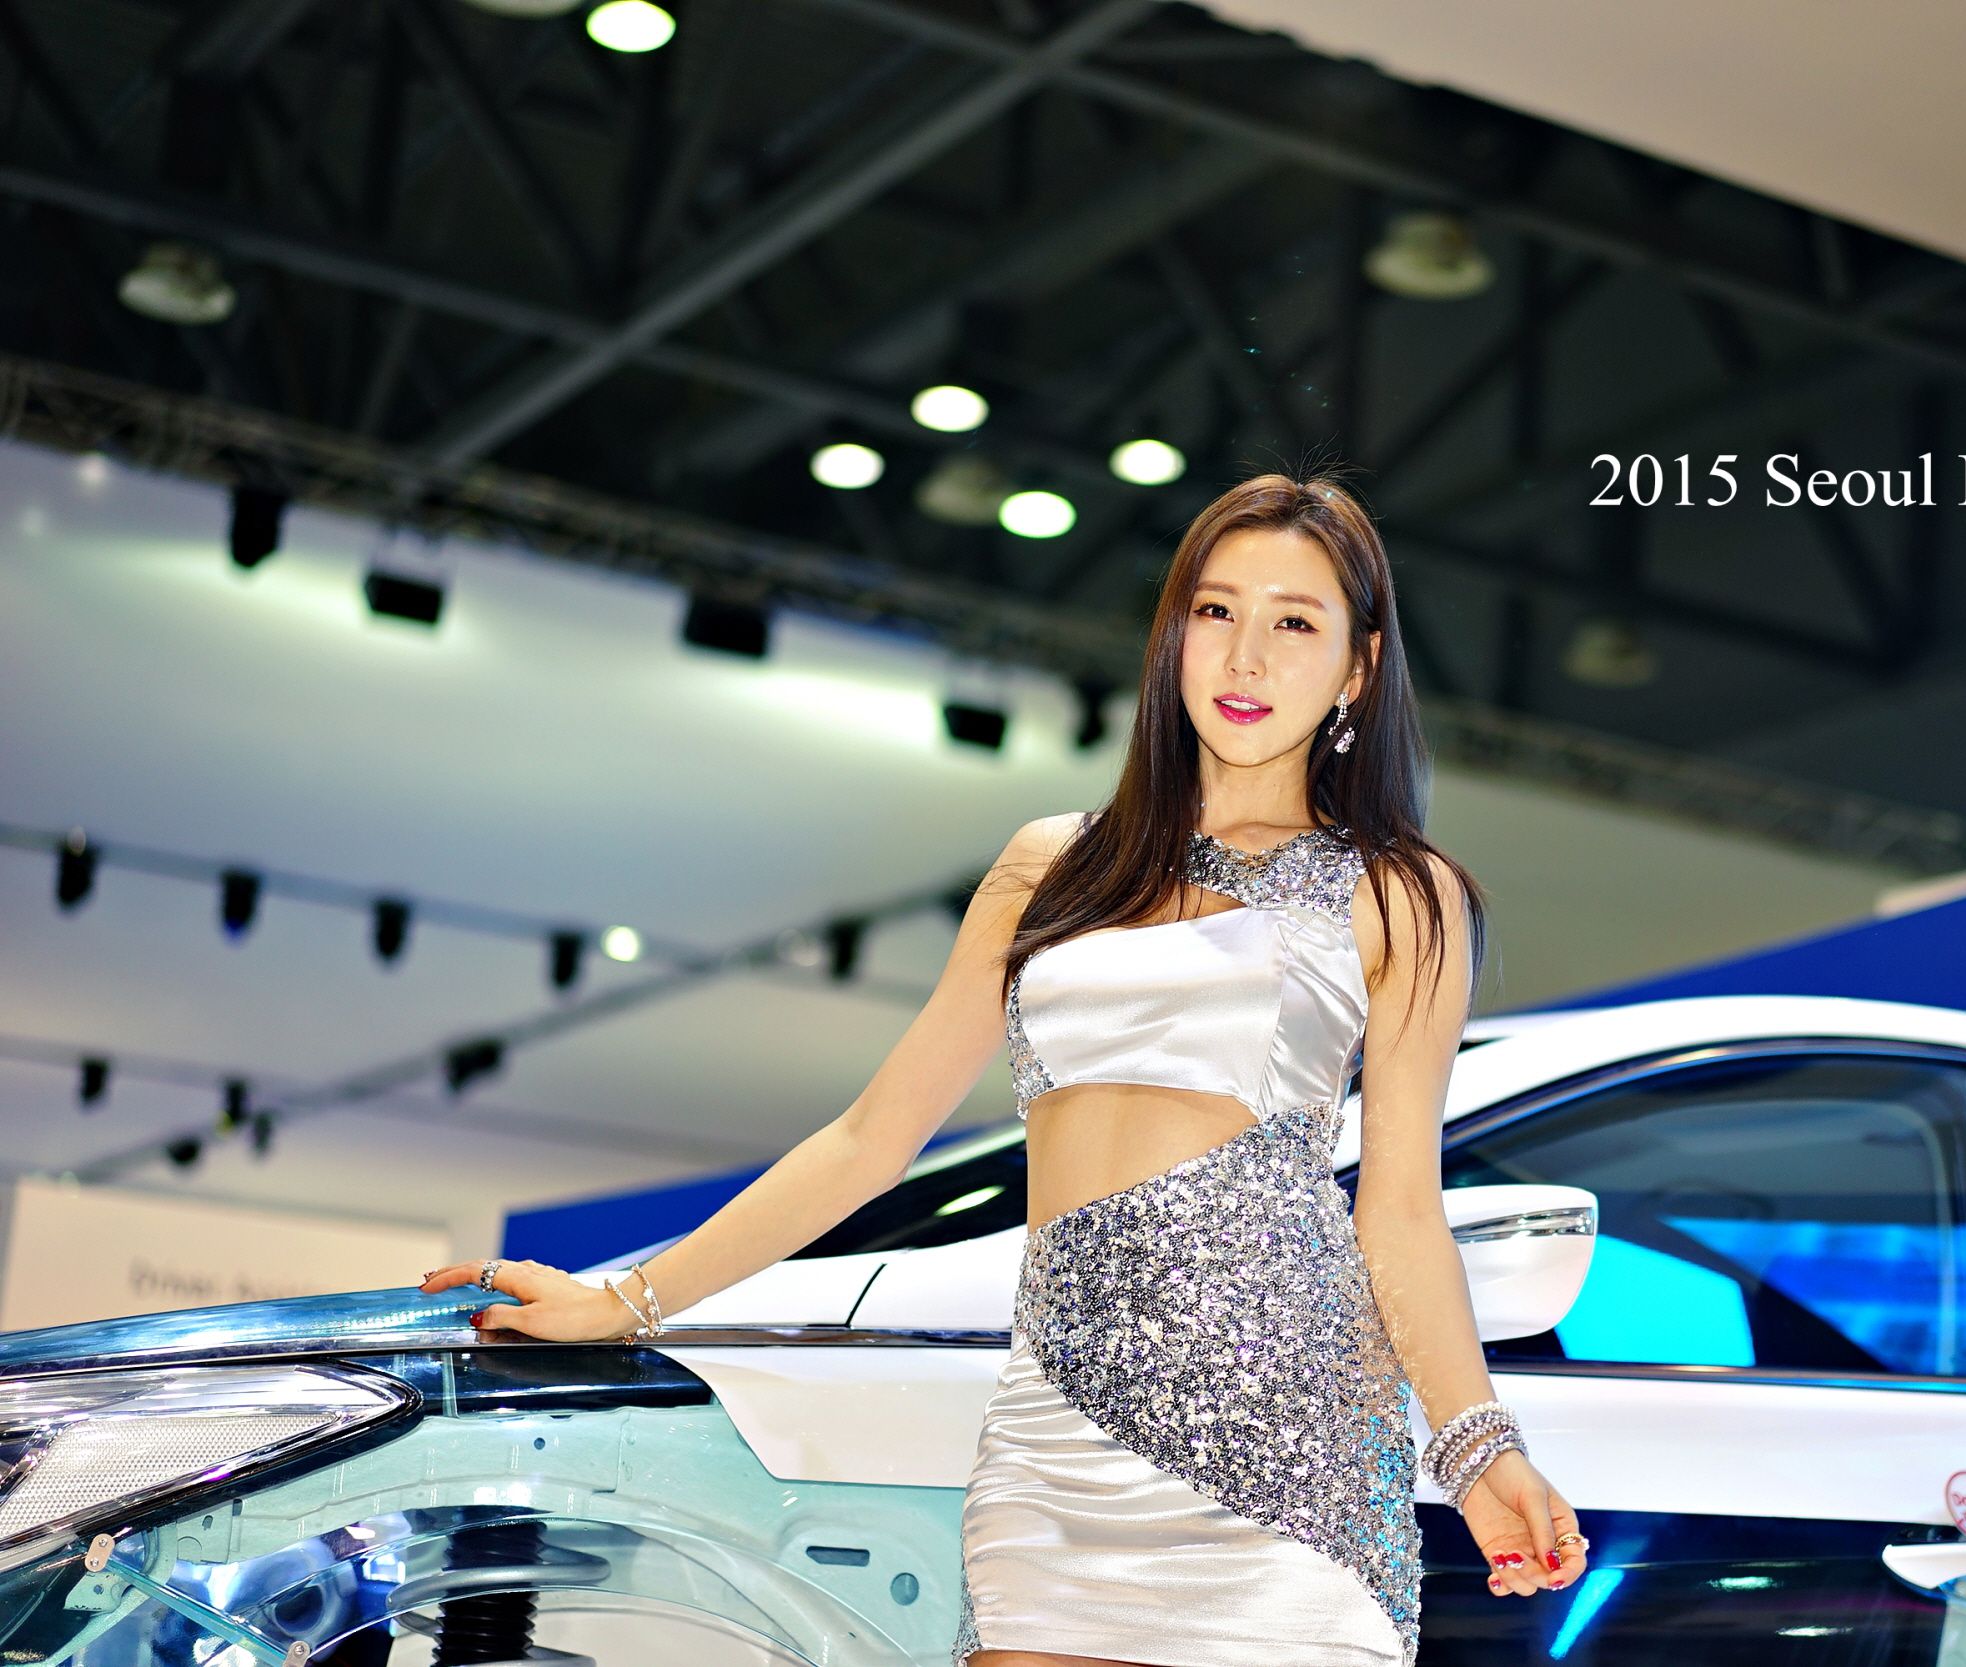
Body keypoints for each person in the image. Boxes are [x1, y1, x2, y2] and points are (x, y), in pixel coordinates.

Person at [419, 470, 1589, 1665]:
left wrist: (1477, 1447)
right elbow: (870, 1138)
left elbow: (1399, 1210)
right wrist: (625, 1300)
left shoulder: (1399, 893)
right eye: (1216, 610)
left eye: (1295, 622)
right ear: (1173, 633)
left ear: (1356, 668)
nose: (1246, 655)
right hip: (1056, 1431)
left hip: (1289, 1445)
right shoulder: (1052, 864)